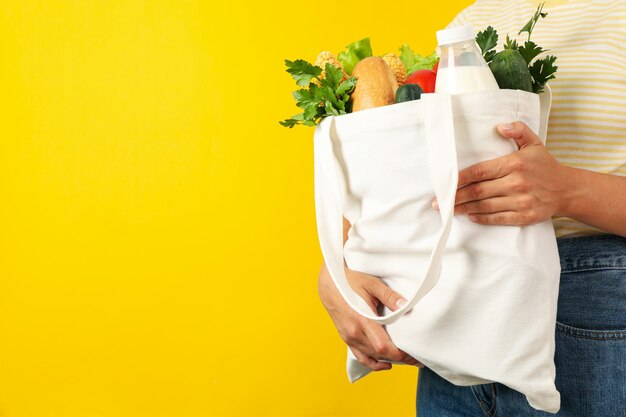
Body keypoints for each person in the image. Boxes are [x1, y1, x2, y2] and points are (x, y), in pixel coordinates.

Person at [317, 0, 626, 415]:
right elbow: (403, 166)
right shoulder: (475, 19)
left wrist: (569, 190)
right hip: (454, 318)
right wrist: (336, 271)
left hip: (596, 322)